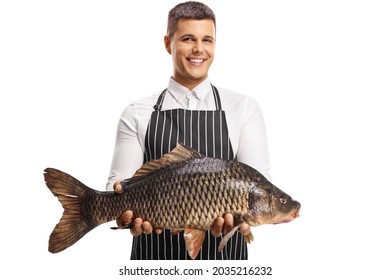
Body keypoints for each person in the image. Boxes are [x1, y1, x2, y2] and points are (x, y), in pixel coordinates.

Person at [106, 1, 271, 260]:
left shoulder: (244, 108)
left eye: (208, 39)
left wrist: (247, 221)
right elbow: (117, 186)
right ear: (167, 43)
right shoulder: (136, 112)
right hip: (154, 265)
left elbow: (258, 182)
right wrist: (125, 214)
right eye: (187, 38)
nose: (199, 49)